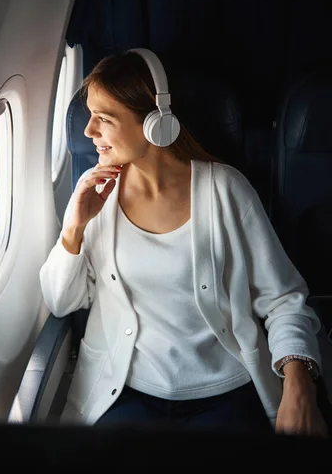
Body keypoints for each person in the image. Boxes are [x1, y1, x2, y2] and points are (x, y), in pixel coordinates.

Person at [39, 48, 328, 437]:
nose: (88, 131)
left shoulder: (226, 191)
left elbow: (283, 299)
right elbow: (61, 301)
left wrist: (298, 381)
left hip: (225, 392)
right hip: (123, 390)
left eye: (103, 120)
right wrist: (73, 228)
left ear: (154, 124)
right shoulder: (96, 195)